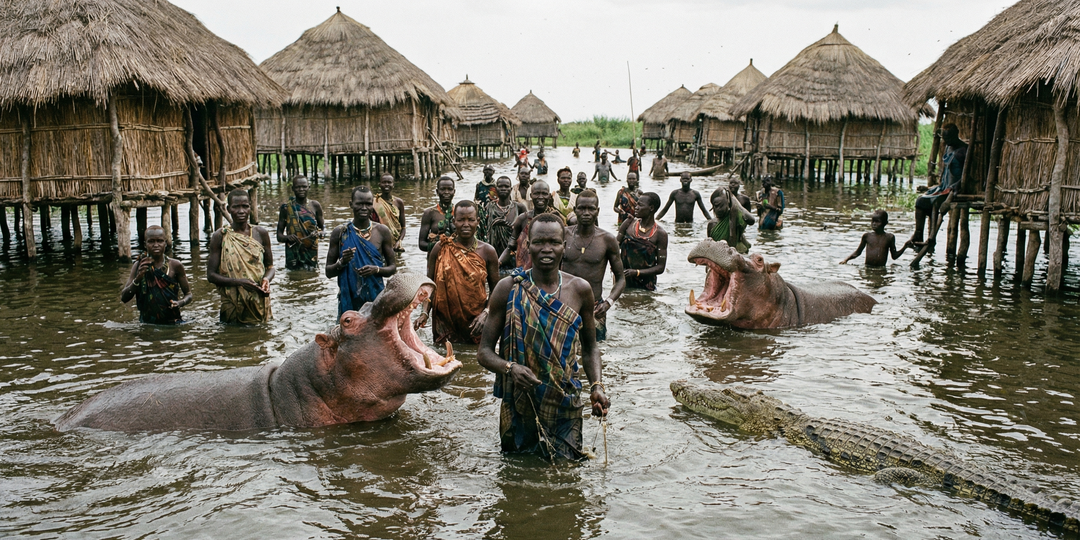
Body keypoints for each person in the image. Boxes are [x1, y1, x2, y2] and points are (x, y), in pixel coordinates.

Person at [477, 212, 610, 460]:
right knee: (517, 475)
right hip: (519, 403)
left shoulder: (580, 290)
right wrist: (510, 368)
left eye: (554, 242)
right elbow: (484, 353)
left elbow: (590, 349)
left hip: (565, 402)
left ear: (564, 245)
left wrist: (597, 387)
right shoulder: (508, 288)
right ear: (528, 245)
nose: (546, 249)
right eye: (539, 242)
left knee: (568, 477)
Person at [416, 201, 501, 345]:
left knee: (474, 362)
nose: (466, 224)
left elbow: (497, 291)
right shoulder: (440, 248)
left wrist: (486, 313)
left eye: (470, 220)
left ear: (478, 222)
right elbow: (429, 286)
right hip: (444, 323)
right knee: (444, 359)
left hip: (476, 323)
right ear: (454, 221)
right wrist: (424, 313)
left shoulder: (488, 252)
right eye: (461, 220)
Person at [562, 189, 625, 342]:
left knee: (595, 351)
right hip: (563, 306)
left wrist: (608, 303)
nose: (586, 212)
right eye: (582, 208)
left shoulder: (607, 240)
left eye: (591, 209)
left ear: (597, 211)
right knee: (561, 353)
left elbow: (621, 278)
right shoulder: (563, 234)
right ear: (575, 210)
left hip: (595, 308)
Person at [326, 186, 397, 316]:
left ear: (372, 205)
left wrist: (376, 269)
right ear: (351, 204)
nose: (364, 208)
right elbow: (328, 272)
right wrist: (342, 262)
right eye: (359, 204)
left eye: (368, 204)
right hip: (349, 300)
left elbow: (392, 268)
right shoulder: (340, 233)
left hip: (376, 299)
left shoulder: (382, 231)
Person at [207, 189, 275, 324]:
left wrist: (266, 279)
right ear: (228, 209)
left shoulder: (260, 233)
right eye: (236, 207)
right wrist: (239, 282)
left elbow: (270, 267)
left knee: (261, 337)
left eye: (245, 206)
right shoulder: (220, 236)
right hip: (231, 303)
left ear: (250, 207)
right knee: (231, 337)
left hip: (258, 301)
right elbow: (211, 275)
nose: (241, 211)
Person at [910, 123, 968, 245]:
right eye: (944, 138)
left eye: (949, 138)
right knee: (920, 201)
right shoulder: (948, 148)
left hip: (956, 189)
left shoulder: (964, 151)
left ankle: (932, 238)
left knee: (936, 203)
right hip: (944, 187)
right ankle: (918, 233)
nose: (946, 141)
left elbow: (967, 176)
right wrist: (934, 187)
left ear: (956, 135)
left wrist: (956, 186)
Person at [121, 225, 192, 324]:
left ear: (165, 243)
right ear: (145, 244)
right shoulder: (139, 265)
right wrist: (138, 278)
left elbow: (188, 294)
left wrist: (180, 303)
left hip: (173, 322)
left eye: (159, 241)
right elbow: (124, 298)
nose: (155, 245)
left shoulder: (175, 265)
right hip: (146, 323)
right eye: (151, 241)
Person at [500, 180, 561, 271]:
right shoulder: (522, 219)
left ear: (549, 196)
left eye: (544, 194)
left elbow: (562, 248)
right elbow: (510, 247)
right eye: (536, 193)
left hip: (550, 271)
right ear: (531, 195)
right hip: (525, 273)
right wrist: (498, 263)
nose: (540, 197)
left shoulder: (556, 219)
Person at [618, 192, 667, 291]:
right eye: (636, 204)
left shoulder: (660, 234)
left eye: (640, 205)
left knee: (645, 304)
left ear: (651, 208)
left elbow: (660, 267)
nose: (636, 207)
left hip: (646, 286)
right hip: (623, 281)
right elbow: (614, 247)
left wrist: (637, 272)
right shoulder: (628, 223)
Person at [276, 175, 323, 270]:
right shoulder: (286, 208)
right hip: (293, 256)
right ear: (293, 188)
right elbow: (279, 236)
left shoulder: (315, 206)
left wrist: (320, 233)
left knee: (311, 275)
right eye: (297, 187)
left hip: (311, 254)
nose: (301, 189)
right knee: (293, 276)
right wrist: (288, 237)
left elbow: (322, 229)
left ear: (308, 187)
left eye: (304, 187)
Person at [484, 176, 528, 275]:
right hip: (495, 252)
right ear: (495, 189)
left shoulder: (519, 207)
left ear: (511, 189)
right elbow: (483, 231)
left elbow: (526, 232)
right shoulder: (489, 207)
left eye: (506, 186)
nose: (503, 188)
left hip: (514, 254)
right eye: (500, 186)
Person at [841, 210, 911, 266]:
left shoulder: (889, 237)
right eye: (873, 221)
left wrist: (905, 246)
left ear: (885, 223)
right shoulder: (867, 236)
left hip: (881, 269)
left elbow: (894, 256)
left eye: (877, 221)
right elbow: (858, 252)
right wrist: (846, 260)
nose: (874, 224)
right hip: (868, 268)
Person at [706, 186, 755, 253]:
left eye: (721, 205)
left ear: (728, 203)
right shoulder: (712, 224)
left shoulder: (736, 216)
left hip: (738, 256)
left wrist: (732, 198)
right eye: (715, 206)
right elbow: (710, 248)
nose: (718, 209)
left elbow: (751, 220)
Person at [419, 176, 457, 252]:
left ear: (454, 191)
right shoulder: (429, 213)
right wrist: (440, 244)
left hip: (456, 257)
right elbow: (421, 244)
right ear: (437, 191)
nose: (446, 192)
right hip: (436, 258)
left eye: (450, 189)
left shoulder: (459, 212)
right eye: (443, 189)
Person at [374, 173, 406, 253]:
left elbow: (403, 228)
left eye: (389, 182)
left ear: (393, 185)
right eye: (384, 182)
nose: (386, 184)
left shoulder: (399, 202)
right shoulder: (374, 202)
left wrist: (399, 242)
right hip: (379, 243)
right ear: (379, 184)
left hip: (395, 244)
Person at [474, 164, 498, 242]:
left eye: (490, 170)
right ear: (483, 172)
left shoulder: (496, 185)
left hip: (494, 212)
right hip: (482, 212)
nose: (488, 172)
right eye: (486, 170)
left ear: (493, 172)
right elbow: (476, 198)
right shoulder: (479, 185)